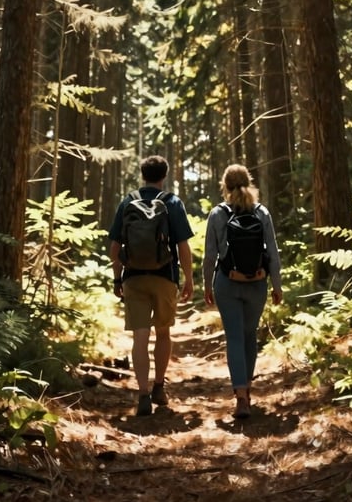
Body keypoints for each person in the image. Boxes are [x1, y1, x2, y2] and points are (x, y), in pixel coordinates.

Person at [108, 155, 194, 416]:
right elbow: (182, 246)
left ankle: (143, 393)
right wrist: (189, 278)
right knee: (164, 333)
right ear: (163, 176)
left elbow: (114, 247)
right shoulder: (172, 202)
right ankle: (159, 386)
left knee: (140, 337)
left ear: (143, 175)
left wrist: (117, 277)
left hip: (134, 277)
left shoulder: (128, 202)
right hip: (165, 277)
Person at [202, 164, 283, 419]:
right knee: (249, 336)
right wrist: (277, 285)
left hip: (227, 282)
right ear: (249, 182)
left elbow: (210, 255)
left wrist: (206, 284)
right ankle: (247, 388)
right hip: (257, 283)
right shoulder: (262, 212)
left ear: (224, 186)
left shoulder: (217, 214)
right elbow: (272, 252)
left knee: (234, 337)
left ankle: (240, 398)